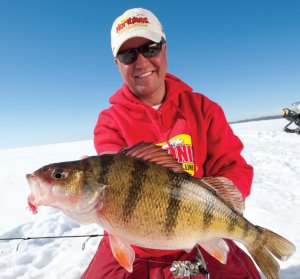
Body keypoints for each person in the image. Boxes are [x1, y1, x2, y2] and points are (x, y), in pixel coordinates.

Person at [81, 7, 261, 279]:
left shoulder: (203, 108)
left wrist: (217, 211)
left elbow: (231, 165)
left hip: (200, 233)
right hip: (134, 242)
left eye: (150, 48)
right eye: (128, 54)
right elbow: (113, 171)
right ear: (117, 63)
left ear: (164, 49)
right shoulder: (110, 121)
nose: (141, 62)